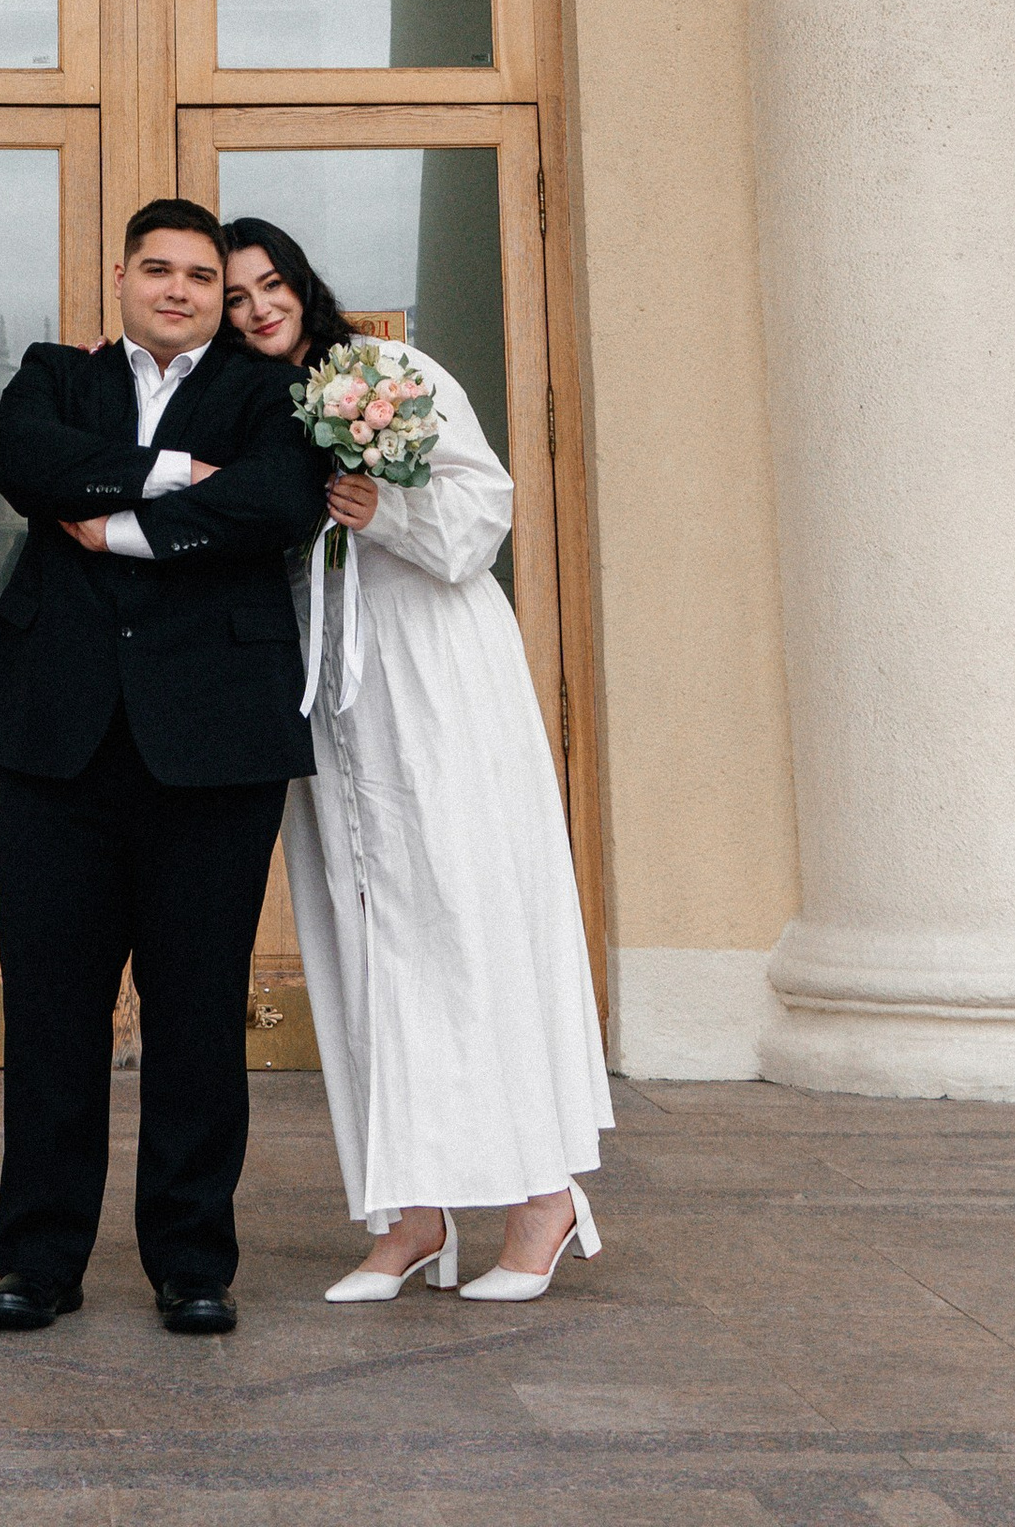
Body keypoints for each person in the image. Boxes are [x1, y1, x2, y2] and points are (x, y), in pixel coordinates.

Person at [221, 214, 612, 1304]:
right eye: (237, 296)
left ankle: (543, 1194)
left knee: (463, 915)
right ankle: (409, 1212)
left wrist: (379, 508)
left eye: (269, 286)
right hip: (332, 698)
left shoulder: (384, 371)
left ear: (301, 281)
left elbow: (482, 512)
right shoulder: (251, 409)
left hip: (434, 678)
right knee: (363, 939)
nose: (257, 309)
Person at [0, 196, 329, 1338]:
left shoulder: (272, 392)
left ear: (223, 295)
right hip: (53, 743)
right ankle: (40, 1259)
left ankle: (190, 1260)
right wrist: (177, 472)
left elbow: (277, 499)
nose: (178, 290)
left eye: (200, 277)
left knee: (198, 1016)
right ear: (120, 276)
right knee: (52, 1015)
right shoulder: (50, 376)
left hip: (214, 750)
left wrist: (119, 520)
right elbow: (25, 462)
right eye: (157, 269)